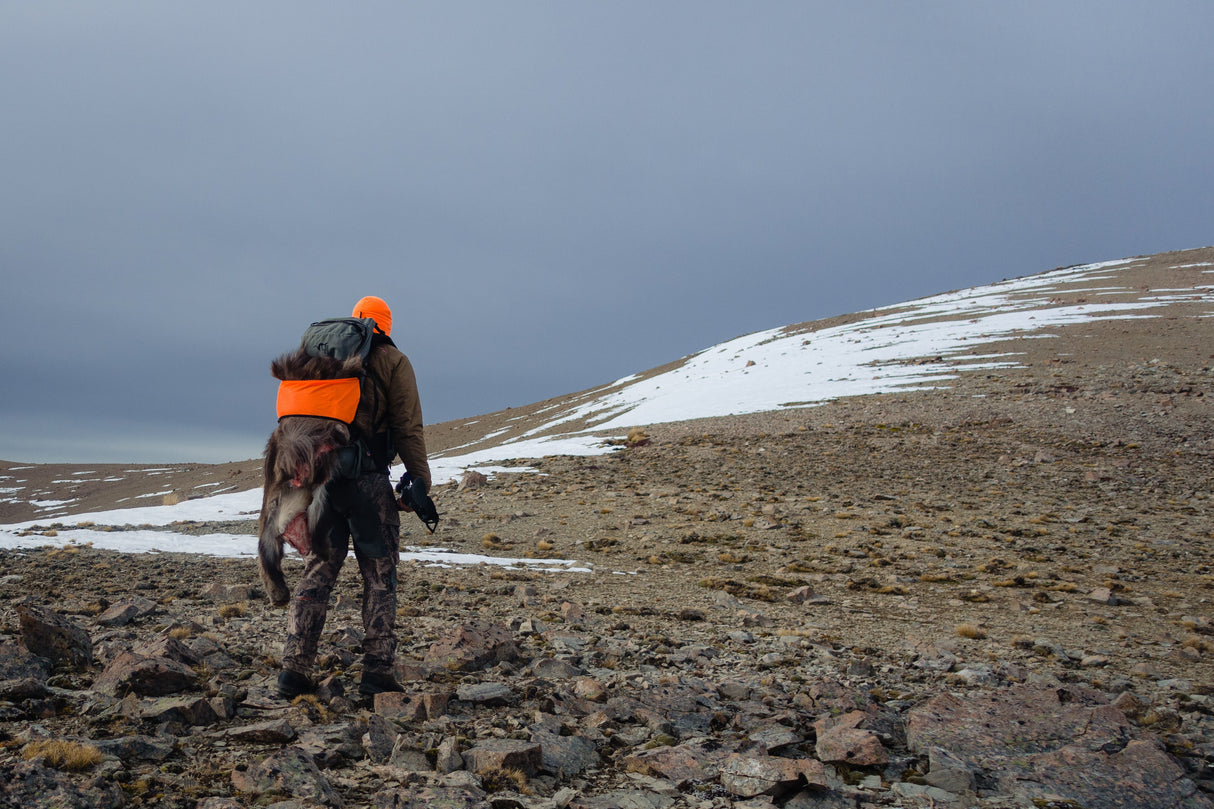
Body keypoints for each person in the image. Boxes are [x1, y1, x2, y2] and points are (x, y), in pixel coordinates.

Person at [277, 295, 433, 699]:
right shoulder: (393, 362)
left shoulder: (323, 359)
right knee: (379, 576)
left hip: (321, 482)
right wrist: (420, 481)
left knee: (317, 573)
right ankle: (377, 672)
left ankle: (293, 670)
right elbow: (407, 427)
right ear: (386, 324)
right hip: (367, 484)